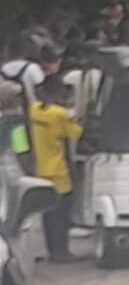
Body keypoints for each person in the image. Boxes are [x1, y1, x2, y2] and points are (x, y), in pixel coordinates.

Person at [29, 80, 81, 262]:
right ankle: (62, 252)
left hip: (40, 170)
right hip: (59, 172)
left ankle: (52, 251)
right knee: (61, 214)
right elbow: (76, 134)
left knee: (48, 214)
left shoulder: (34, 110)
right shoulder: (60, 114)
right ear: (59, 94)